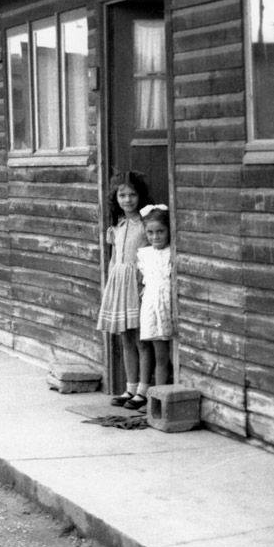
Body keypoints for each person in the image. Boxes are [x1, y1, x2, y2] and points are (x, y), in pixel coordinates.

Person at [97, 171, 154, 411]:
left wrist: (146, 284)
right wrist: (110, 285)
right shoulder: (117, 226)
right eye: (122, 195)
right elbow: (113, 259)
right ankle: (130, 387)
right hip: (120, 284)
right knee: (126, 338)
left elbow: (152, 256)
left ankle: (143, 389)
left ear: (140, 196)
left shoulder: (145, 224)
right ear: (116, 197)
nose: (128, 199)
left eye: (132, 194)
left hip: (137, 284)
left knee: (141, 338)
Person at [137, 204, 174, 392]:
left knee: (174, 357)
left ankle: (171, 398)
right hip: (153, 310)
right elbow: (145, 283)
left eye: (160, 231)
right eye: (150, 232)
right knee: (161, 357)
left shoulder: (173, 253)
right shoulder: (144, 254)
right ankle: (157, 399)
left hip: (170, 309)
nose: (155, 237)